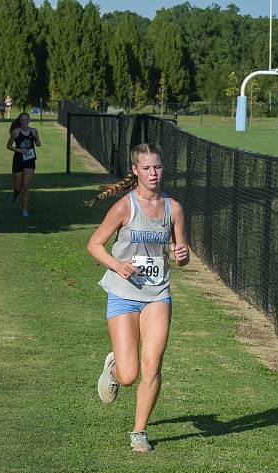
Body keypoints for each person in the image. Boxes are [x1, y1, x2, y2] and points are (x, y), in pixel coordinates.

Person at [86, 143, 190, 454]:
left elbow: (181, 253)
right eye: (146, 168)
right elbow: (94, 244)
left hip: (158, 293)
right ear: (135, 171)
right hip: (123, 294)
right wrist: (117, 265)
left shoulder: (174, 209)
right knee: (130, 374)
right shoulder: (124, 207)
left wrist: (183, 255)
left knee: (153, 365)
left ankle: (139, 432)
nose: (153, 173)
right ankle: (115, 368)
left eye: (157, 167)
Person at [6, 112, 41, 217]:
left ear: (29, 120)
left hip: (30, 160)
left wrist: (37, 141)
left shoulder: (34, 131)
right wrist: (20, 150)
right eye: (23, 120)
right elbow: (8, 145)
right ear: (20, 121)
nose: (25, 121)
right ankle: (15, 195)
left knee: (26, 186)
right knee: (18, 188)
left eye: (27, 120)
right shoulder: (16, 132)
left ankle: (24, 210)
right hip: (18, 160)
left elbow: (38, 143)